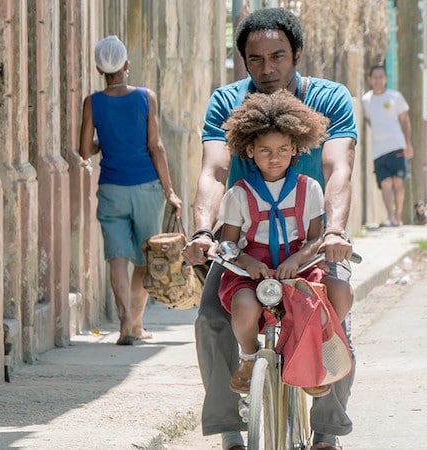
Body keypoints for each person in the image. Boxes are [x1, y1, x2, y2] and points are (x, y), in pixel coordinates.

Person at [181, 8, 357, 450]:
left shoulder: (331, 99)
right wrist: (203, 232)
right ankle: (229, 432)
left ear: (296, 54)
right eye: (255, 60)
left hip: (312, 246)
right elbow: (213, 171)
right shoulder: (226, 102)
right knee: (210, 320)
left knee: (335, 316)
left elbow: (339, 167)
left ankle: (326, 434)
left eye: (278, 56)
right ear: (243, 61)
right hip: (246, 249)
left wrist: (333, 232)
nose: (267, 68)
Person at [215, 90, 353, 400]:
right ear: (249, 150)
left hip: (299, 263)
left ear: (295, 148)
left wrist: (298, 259)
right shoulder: (239, 193)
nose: (274, 157)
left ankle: (310, 354)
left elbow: (316, 237)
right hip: (252, 268)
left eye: (282, 149)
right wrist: (249, 264)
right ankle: (249, 359)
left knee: (327, 298)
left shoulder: (310, 188)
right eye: (264, 150)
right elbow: (228, 243)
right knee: (245, 305)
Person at [78, 36, 183, 345]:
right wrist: (170, 191)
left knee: (117, 258)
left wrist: (105, 143)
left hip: (111, 188)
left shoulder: (92, 102)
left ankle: (124, 318)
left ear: (99, 68)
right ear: (126, 65)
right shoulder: (145, 97)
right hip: (147, 188)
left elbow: (85, 150)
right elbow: (156, 146)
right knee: (143, 259)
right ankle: (136, 324)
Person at [361, 65, 412, 227]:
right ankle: (390, 215)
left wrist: (408, 143)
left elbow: (405, 120)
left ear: (386, 79)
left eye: (381, 77)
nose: (378, 80)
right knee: (385, 184)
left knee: (398, 182)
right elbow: (368, 121)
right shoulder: (366, 100)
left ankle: (398, 216)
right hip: (379, 149)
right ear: (369, 79)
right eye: (374, 77)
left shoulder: (395, 97)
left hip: (396, 145)